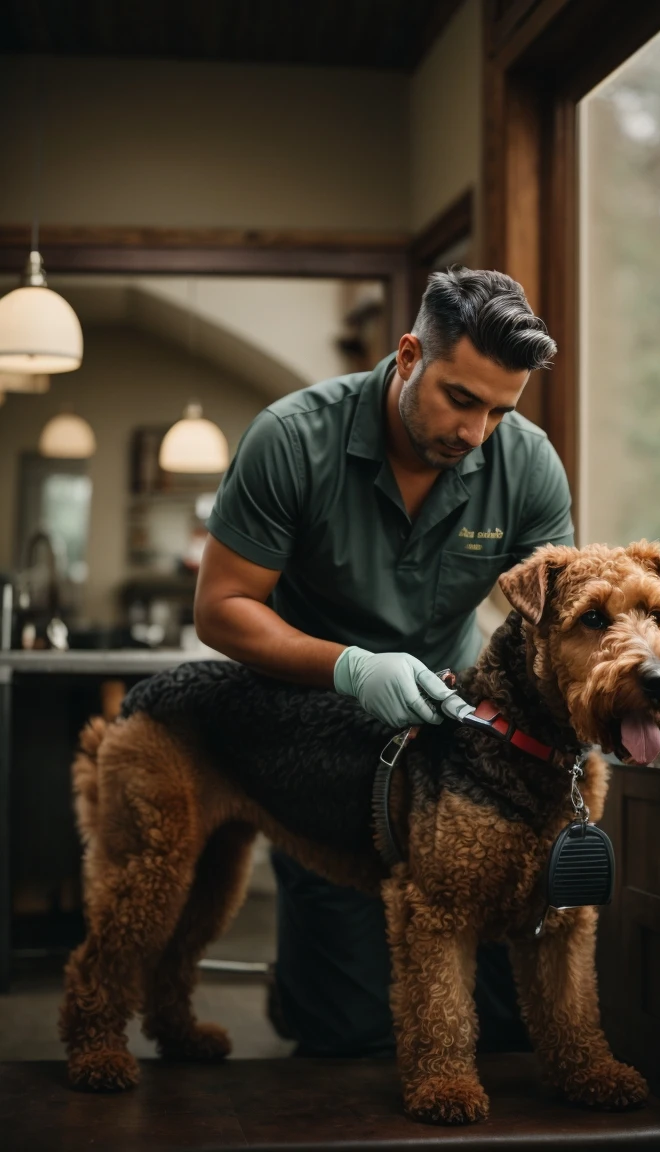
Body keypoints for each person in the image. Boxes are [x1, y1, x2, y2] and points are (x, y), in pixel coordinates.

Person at [194, 267, 574, 1057]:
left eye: (500, 410)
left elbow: (558, 623)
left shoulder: (527, 463)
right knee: (350, 1030)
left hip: (452, 738)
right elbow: (221, 609)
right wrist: (354, 669)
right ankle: (305, 991)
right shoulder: (293, 438)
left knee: (504, 1027)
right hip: (319, 733)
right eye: (460, 399)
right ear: (408, 355)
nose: (475, 432)